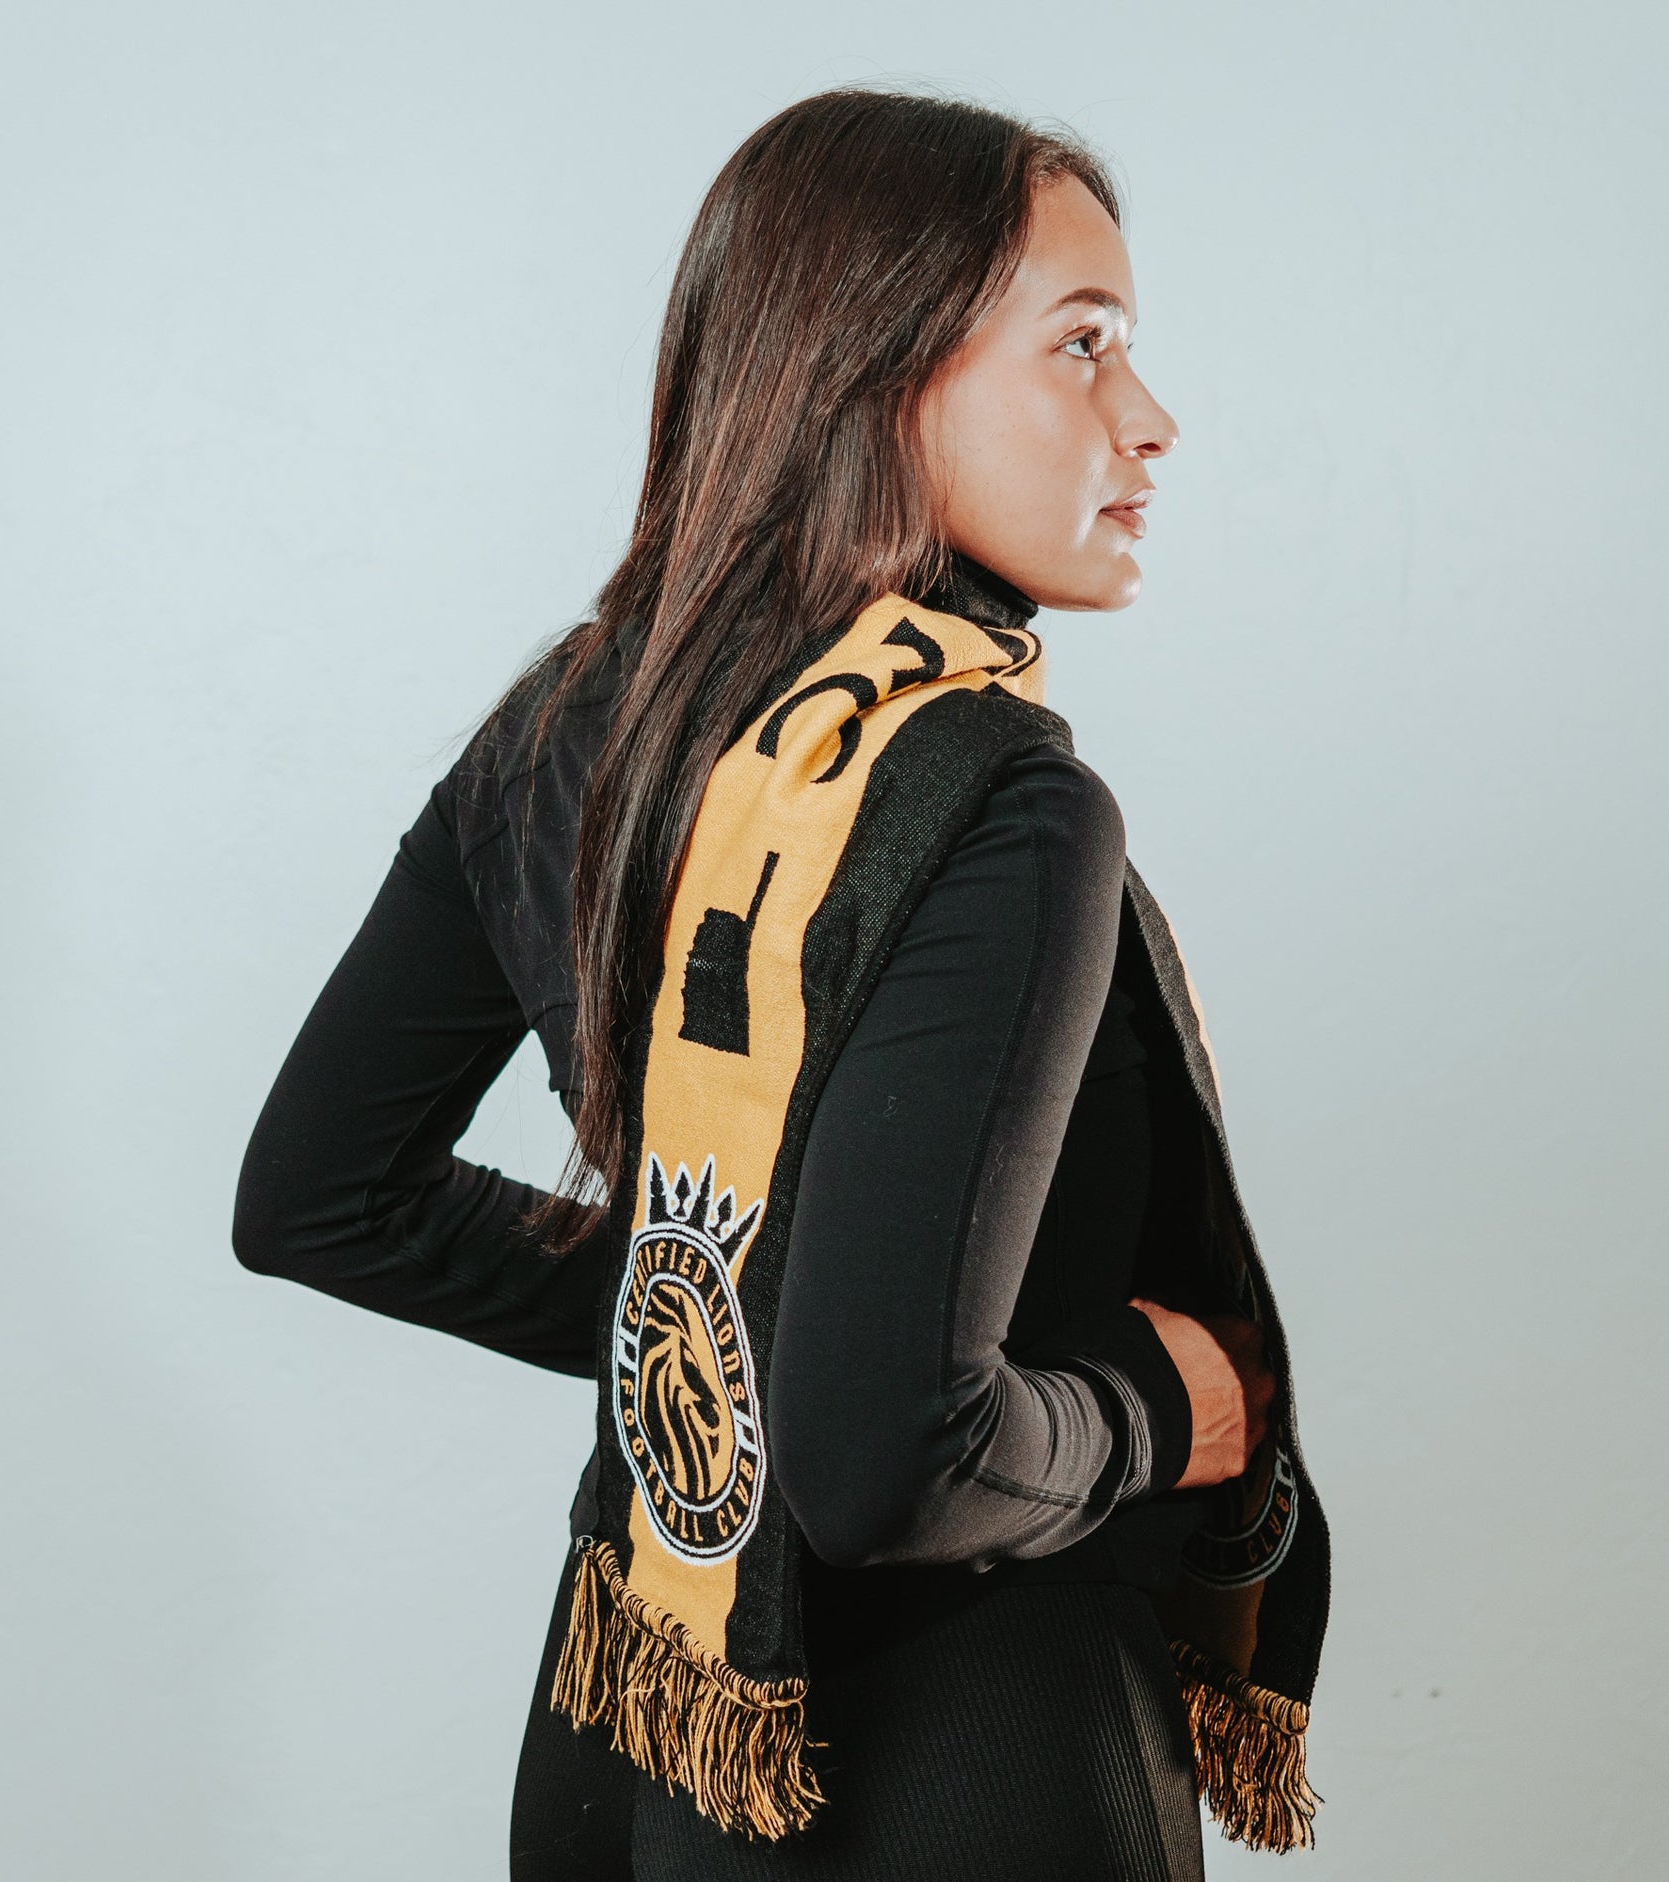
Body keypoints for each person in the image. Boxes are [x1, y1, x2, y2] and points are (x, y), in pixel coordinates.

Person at [233, 88, 1325, 1882]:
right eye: (1081, 343)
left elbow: (323, 1198)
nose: (1147, 416)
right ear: (877, 374)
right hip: (964, 1757)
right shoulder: (995, 797)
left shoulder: (572, 721)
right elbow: (889, 1462)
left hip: (633, 1725)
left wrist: (731, 1336)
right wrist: (1158, 1405)